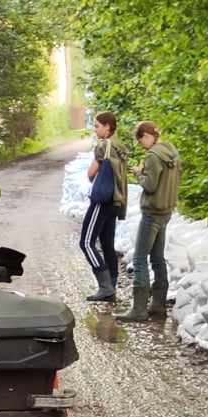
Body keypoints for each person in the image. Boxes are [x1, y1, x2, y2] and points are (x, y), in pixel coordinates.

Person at [122, 121, 181, 322]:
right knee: (157, 258)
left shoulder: (153, 156)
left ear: (147, 136)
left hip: (152, 212)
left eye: (140, 140)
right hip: (166, 211)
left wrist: (139, 172)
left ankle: (139, 309)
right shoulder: (172, 153)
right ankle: (158, 305)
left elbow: (149, 185)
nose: (141, 145)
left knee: (139, 258)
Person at [76, 112, 130, 303]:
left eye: (98, 125)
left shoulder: (103, 146)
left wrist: (95, 174)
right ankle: (111, 286)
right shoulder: (120, 146)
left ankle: (105, 287)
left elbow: (91, 173)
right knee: (107, 243)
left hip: (102, 199)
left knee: (86, 242)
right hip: (116, 200)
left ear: (108, 127)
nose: (95, 129)